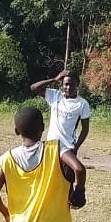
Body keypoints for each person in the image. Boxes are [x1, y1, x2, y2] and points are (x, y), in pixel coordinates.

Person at [29, 67, 91, 205]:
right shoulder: (55, 96)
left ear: (77, 85)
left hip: (65, 147)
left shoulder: (82, 104)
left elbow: (85, 129)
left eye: (72, 84)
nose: (68, 87)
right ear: (62, 86)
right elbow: (33, 88)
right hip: (50, 145)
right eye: (65, 84)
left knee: (79, 170)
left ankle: (79, 195)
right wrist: (55, 79)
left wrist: (76, 147)